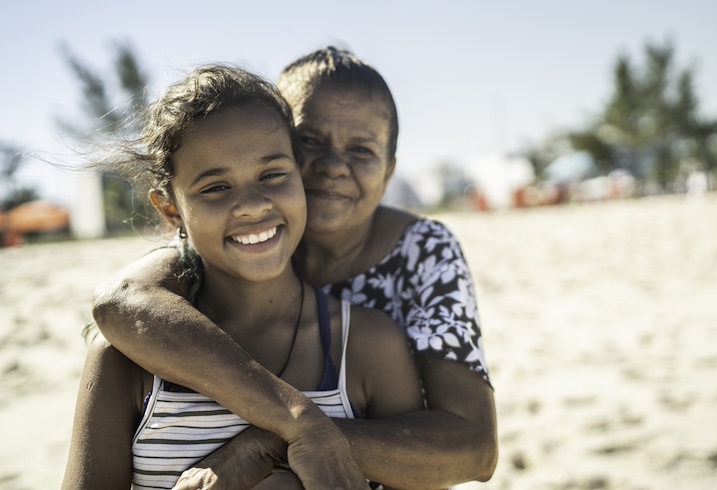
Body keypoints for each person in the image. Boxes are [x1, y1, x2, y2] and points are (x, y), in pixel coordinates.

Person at [92, 47, 498, 489]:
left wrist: (274, 442)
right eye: (310, 142)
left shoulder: (420, 257)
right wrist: (298, 422)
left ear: (388, 171)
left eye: (361, 150)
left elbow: (475, 450)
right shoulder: (226, 246)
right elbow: (121, 302)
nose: (333, 167)